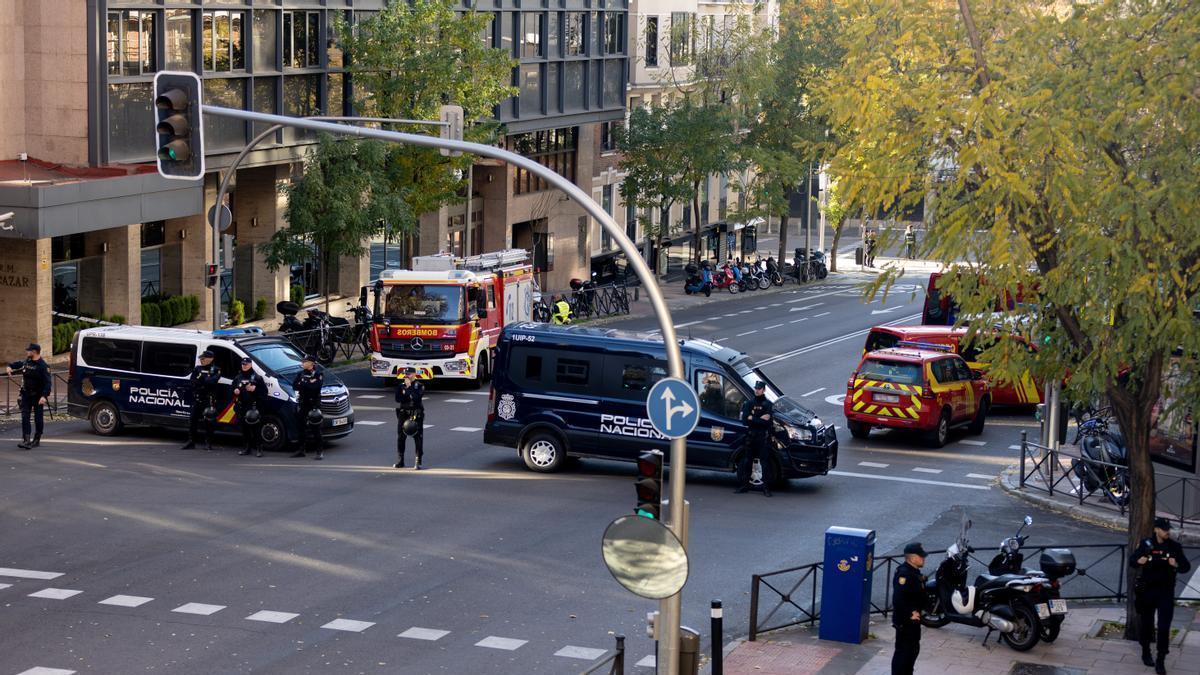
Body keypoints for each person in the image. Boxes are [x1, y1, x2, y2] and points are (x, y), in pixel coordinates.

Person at [1131, 517, 1192, 673]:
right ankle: (1146, 651)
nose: (1167, 532)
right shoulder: (1146, 544)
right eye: (1164, 529)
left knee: (1164, 626)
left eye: (1168, 529)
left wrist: (1176, 565)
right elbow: (1132, 561)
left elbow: (1186, 567)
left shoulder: (1174, 547)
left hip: (1166, 592)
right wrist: (1140, 560)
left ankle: (1161, 659)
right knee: (1147, 623)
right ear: (1156, 529)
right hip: (1148, 590)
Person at [7, 343, 52, 449]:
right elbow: (16, 364)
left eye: (29, 350)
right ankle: (26, 440)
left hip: (38, 396)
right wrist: (9, 367)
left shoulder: (43, 366)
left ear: (34, 352)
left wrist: (44, 396)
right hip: (26, 394)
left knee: (38, 418)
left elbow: (48, 383)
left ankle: (36, 439)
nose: (27, 352)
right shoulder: (27, 361)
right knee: (25, 416)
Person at [891, 542, 927, 675]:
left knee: (912, 652)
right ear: (912, 558)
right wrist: (909, 614)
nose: (924, 559)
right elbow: (898, 599)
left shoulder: (913, 572)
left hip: (912, 621)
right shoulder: (905, 574)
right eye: (921, 556)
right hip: (906, 622)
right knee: (904, 654)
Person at [735, 381, 774, 497]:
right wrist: (760, 418)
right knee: (747, 462)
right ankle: (744, 486)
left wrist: (753, 418)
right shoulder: (749, 403)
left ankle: (766, 488)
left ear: (764, 390)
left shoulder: (768, 404)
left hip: (762, 438)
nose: (757, 390)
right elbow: (745, 421)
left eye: (759, 388)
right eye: (756, 388)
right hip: (751, 436)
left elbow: (768, 423)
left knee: (765, 464)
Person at [182, 350, 221, 451]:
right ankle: (191, 442)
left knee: (209, 422)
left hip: (208, 399)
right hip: (198, 398)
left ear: (210, 359)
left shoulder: (216, 369)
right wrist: (203, 381)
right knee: (192, 420)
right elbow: (192, 381)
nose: (201, 360)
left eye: (203, 358)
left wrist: (202, 380)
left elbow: (212, 382)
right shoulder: (197, 368)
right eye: (201, 358)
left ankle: (208, 443)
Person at [231, 357, 266, 457]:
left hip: (253, 407)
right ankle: (247, 448)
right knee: (244, 429)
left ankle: (259, 449)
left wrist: (255, 389)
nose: (244, 366)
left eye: (246, 364)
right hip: (242, 406)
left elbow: (264, 393)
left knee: (256, 429)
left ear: (250, 365)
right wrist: (235, 391)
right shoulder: (238, 377)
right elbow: (232, 389)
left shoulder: (257, 377)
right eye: (242, 364)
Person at [292, 354, 324, 460]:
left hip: (313, 405)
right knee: (300, 427)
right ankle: (301, 450)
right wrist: (307, 383)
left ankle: (319, 451)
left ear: (311, 363)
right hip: (303, 403)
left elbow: (315, 387)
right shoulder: (300, 373)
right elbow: (294, 386)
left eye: (305, 362)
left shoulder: (318, 374)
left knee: (316, 428)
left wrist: (304, 383)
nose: (302, 363)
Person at [393, 367, 426, 469]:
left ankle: (418, 461)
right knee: (401, 437)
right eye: (406, 374)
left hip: (416, 413)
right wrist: (407, 392)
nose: (407, 376)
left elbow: (416, 398)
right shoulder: (400, 386)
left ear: (414, 374)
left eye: (409, 374)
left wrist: (407, 390)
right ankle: (400, 460)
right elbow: (398, 399)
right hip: (403, 414)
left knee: (418, 437)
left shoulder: (419, 386)